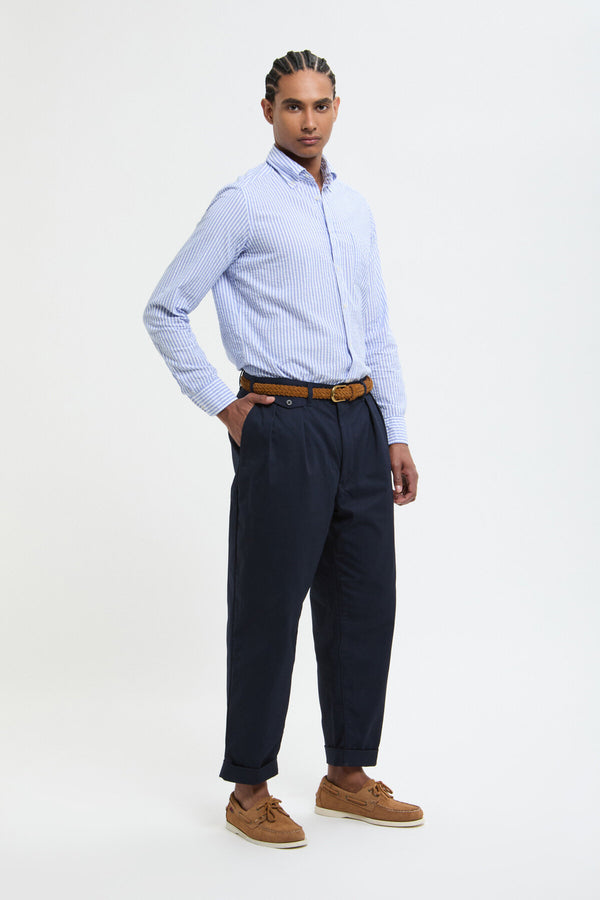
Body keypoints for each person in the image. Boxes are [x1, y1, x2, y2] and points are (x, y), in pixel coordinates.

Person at [143, 48, 423, 849]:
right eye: (293, 106)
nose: (308, 120)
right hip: (284, 426)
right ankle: (249, 789)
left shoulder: (355, 208)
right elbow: (165, 307)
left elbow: (377, 327)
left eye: (321, 105)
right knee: (268, 608)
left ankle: (347, 776)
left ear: (337, 108)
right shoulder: (243, 204)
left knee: (365, 604)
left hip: (359, 421)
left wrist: (395, 430)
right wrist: (226, 406)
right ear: (268, 110)